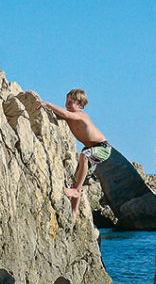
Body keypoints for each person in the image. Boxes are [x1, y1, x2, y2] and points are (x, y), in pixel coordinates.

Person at [28, 88, 111, 221]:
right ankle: (74, 212)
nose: (67, 104)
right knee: (77, 180)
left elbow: (65, 114)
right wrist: (37, 100)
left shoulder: (81, 115)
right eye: (66, 101)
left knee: (84, 156)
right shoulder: (68, 115)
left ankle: (76, 191)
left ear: (81, 105)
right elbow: (52, 113)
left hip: (102, 148)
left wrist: (47, 103)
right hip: (89, 150)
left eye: (71, 102)